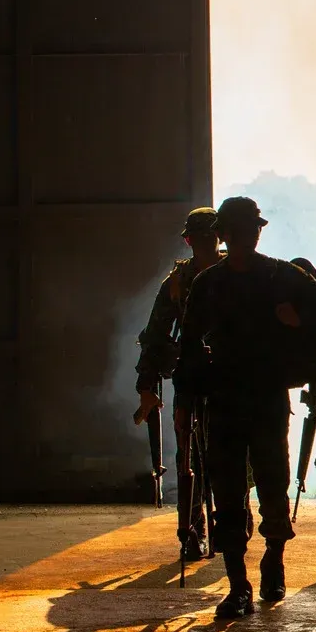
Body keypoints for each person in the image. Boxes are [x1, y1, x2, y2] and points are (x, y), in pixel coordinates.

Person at [177, 197, 316, 620]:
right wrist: (187, 396)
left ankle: (273, 558)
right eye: (237, 230)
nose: (245, 237)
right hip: (223, 402)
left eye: (250, 229)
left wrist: (299, 322)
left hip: (268, 398)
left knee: (273, 487)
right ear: (225, 235)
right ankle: (238, 584)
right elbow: (188, 349)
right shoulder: (208, 285)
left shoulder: (281, 278)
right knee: (227, 495)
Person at [134, 207, 222, 562]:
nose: (200, 244)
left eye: (207, 237)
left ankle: (232, 521)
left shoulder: (237, 274)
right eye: (195, 238)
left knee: (230, 452)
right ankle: (191, 531)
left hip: (232, 376)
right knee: (187, 457)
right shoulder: (178, 282)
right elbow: (154, 336)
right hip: (190, 374)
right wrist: (146, 384)